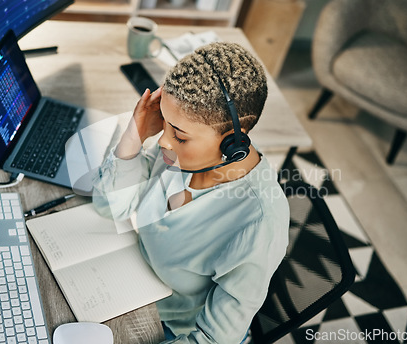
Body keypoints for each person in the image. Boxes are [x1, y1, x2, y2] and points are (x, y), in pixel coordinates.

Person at [92, 42, 289, 344]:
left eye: (179, 136)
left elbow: (212, 340)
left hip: (165, 325)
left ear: (232, 144)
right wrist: (136, 133)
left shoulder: (259, 225)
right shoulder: (182, 153)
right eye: (165, 124)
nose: (164, 143)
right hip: (129, 274)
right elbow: (109, 207)